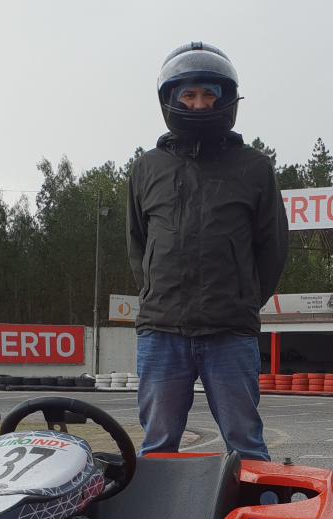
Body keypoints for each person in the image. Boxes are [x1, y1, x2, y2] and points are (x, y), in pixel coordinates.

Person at [127, 42, 288, 461]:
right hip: (161, 330)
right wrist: (154, 293)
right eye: (190, 96)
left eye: (210, 95)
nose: (200, 105)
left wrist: (241, 299)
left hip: (229, 331)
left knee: (246, 444)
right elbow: (138, 244)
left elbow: (272, 249)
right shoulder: (147, 167)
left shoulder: (255, 167)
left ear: (227, 100)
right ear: (171, 100)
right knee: (159, 445)